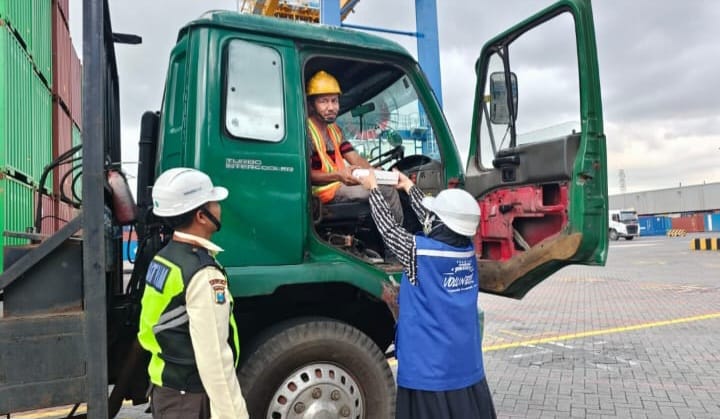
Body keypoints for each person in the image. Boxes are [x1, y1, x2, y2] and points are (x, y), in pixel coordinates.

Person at [359, 169, 497, 419]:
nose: (429, 218)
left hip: (430, 370)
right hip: (464, 366)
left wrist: (374, 190)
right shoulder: (466, 250)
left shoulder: (418, 254)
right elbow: (438, 221)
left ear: (439, 222)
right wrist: (409, 187)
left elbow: (389, 230)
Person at [137, 168, 249, 419]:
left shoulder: (165, 258)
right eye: (214, 202)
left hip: (167, 389)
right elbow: (214, 359)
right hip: (189, 399)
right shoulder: (202, 273)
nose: (219, 207)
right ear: (201, 216)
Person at [305, 70, 404, 226]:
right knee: (387, 191)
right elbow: (306, 175)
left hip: (339, 184)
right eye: (324, 101)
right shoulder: (306, 132)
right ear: (311, 105)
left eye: (334, 101)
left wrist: (374, 172)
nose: (331, 107)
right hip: (323, 192)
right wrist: (338, 175)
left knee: (384, 185)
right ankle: (397, 238)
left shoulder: (335, 131)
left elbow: (355, 158)